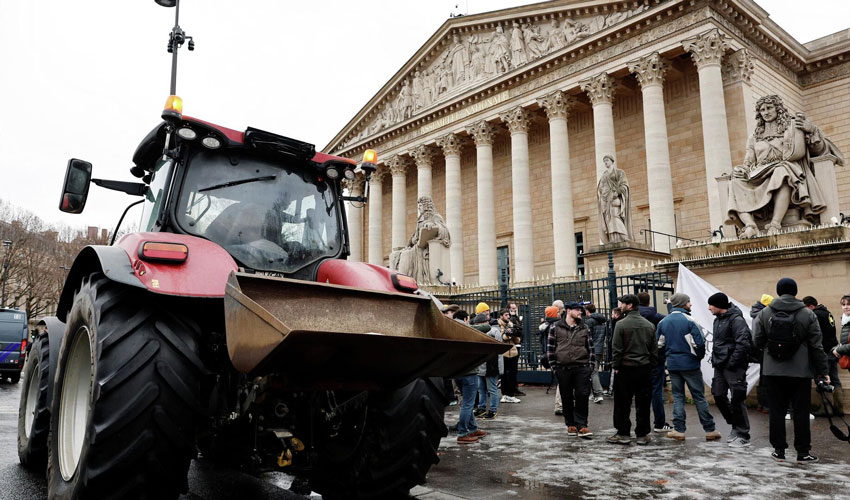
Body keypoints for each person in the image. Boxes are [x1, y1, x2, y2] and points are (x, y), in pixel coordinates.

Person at [726, 95, 843, 238]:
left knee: (781, 171)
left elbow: (818, 150)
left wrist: (811, 130)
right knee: (735, 182)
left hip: (785, 168)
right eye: (762, 110)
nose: (766, 112)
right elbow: (748, 162)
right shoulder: (754, 136)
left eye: (769, 108)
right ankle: (750, 226)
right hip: (759, 173)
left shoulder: (791, 128)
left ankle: (775, 224)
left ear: (778, 109)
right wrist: (741, 170)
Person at [753, 278, 830, 463]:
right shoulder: (807, 314)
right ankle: (803, 452)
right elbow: (816, 346)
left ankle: (779, 450)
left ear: (778, 292)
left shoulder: (764, 313)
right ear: (796, 292)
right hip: (800, 371)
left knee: (777, 411)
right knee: (801, 411)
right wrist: (822, 371)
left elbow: (756, 341)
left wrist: (771, 352)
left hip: (773, 371)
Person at [658, 293, 722, 442]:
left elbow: (659, 345)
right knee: (699, 397)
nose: (690, 304)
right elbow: (700, 343)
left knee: (678, 396)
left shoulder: (663, 322)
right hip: (690, 364)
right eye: (688, 302)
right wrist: (696, 358)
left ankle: (679, 430)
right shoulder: (690, 320)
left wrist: (667, 358)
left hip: (673, 364)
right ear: (683, 303)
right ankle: (710, 429)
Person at [608, 294, 657, 445]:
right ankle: (642, 434)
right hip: (644, 368)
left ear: (630, 306)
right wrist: (651, 366)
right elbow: (654, 350)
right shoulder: (649, 325)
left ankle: (623, 433)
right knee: (643, 402)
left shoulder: (621, 324)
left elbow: (617, 348)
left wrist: (616, 366)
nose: (620, 306)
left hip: (625, 369)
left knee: (623, 402)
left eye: (622, 303)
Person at [707, 292, 753, 448]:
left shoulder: (737, 320)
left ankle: (743, 434)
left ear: (719, 305)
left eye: (711, 305)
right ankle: (735, 425)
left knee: (737, 399)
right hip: (719, 365)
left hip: (734, 366)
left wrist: (732, 362)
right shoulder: (717, 320)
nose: (709, 308)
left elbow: (743, 343)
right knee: (718, 395)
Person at [547, 302, 595, 438]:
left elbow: (591, 348)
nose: (581, 312)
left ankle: (582, 425)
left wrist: (590, 366)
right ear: (568, 311)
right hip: (563, 368)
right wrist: (554, 368)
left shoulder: (584, 327)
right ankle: (571, 424)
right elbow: (550, 349)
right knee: (566, 397)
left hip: (582, 367)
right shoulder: (555, 327)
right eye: (578, 310)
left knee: (582, 395)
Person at [803, 296, 844, 416]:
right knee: (835, 380)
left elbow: (815, 335)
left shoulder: (815, 315)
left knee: (822, 380)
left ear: (811, 306)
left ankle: (827, 409)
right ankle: (839, 409)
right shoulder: (827, 313)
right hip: (833, 350)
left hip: (823, 352)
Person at [638, 292, 670, 433]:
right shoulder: (657, 317)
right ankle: (659, 423)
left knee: (640, 392)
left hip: (638, 359)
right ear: (649, 302)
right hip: (656, 357)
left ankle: (641, 424)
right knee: (656, 391)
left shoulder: (631, 317)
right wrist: (669, 305)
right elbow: (671, 321)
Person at [472, 303, 503, 420]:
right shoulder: (493, 330)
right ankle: (482, 408)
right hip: (483, 365)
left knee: (491, 389)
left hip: (491, 365)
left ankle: (493, 410)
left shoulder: (494, 331)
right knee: (482, 389)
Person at [597, 155, 634, 243]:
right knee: (608, 219)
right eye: (604, 161)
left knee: (615, 214)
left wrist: (617, 193)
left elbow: (624, 185)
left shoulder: (619, 172)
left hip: (615, 198)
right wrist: (602, 195)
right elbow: (600, 187)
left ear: (612, 161)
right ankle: (613, 239)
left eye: (607, 160)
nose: (606, 162)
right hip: (606, 201)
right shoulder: (604, 175)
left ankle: (623, 235)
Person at [540, 301, 565, 415]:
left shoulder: (544, 326)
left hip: (549, 355)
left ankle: (560, 404)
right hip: (558, 355)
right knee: (563, 381)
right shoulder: (556, 326)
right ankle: (560, 405)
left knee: (561, 381)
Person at [750, 294, 774, 414]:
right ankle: (766, 405)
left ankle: (761, 404)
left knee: (763, 377)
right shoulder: (763, 315)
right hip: (765, 349)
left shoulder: (755, 314)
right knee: (766, 378)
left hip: (759, 349)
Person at [585, 303, 607, 403]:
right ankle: (593, 393)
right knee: (593, 371)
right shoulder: (602, 321)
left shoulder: (589, 321)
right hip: (600, 348)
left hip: (592, 349)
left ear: (587, 311)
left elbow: (587, 337)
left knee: (593, 372)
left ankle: (598, 394)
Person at [499, 309, 522, 403]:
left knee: (512, 375)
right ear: (501, 316)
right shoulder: (498, 325)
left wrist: (515, 334)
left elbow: (517, 341)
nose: (508, 316)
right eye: (506, 315)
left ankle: (511, 394)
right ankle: (504, 394)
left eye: (508, 315)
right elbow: (502, 338)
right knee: (503, 375)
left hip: (513, 353)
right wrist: (507, 334)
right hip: (503, 353)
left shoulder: (511, 325)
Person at [507, 302, 526, 397]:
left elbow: (519, 330)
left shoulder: (517, 318)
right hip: (512, 346)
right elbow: (513, 329)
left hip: (518, 344)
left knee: (515, 369)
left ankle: (515, 388)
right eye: (512, 308)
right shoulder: (510, 319)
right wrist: (513, 317)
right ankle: (512, 389)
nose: (515, 310)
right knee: (512, 369)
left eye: (515, 308)